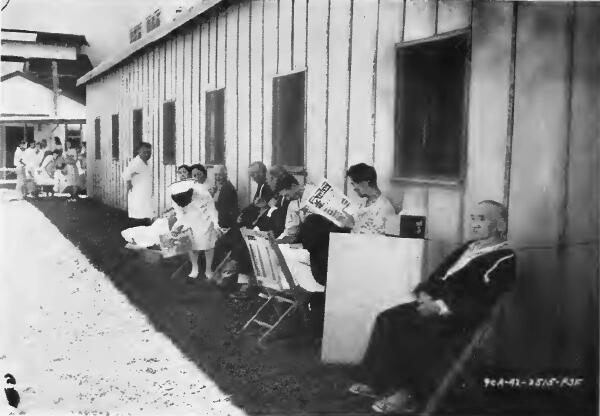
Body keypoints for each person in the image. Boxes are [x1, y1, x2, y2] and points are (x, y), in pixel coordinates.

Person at [347, 200, 516, 414]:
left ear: (500, 225)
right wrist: (425, 294)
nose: (474, 223)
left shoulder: (504, 258)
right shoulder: (469, 247)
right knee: (388, 318)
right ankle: (377, 381)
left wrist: (440, 307)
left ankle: (408, 395)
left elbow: (482, 300)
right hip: (432, 304)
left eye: (481, 219)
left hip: (458, 317)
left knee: (414, 331)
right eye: (473, 218)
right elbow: (437, 275)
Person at [169, 180, 221, 279]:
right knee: (193, 247)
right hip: (190, 222)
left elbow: (212, 211)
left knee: (208, 246)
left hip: (206, 221)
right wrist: (176, 227)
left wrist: (216, 226)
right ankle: (194, 268)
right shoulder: (176, 198)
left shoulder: (203, 195)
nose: (181, 205)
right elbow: (180, 215)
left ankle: (208, 270)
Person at [122, 142, 154, 228]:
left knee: (145, 214)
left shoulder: (147, 163)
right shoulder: (136, 163)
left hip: (146, 192)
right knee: (138, 217)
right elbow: (125, 174)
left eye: (149, 152)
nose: (147, 154)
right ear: (138, 151)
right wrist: (129, 183)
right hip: (138, 193)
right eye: (144, 152)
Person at [266, 165, 291, 238]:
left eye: (271, 178)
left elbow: (280, 221)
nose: (267, 182)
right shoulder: (276, 195)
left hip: (280, 235)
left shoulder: (287, 197)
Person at [210, 165, 239, 229]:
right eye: (216, 175)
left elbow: (224, 211)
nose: (217, 177)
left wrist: (221, 226)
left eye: (220, 175)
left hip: (224, 224)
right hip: (219, 220)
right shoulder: (220, 186)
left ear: (225, 175)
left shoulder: (227, 188)